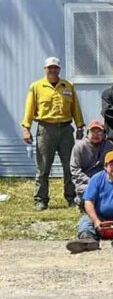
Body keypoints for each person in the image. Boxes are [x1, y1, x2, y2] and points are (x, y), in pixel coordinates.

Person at [22, 56, 85, 210]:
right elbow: (29, 108)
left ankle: (71, 198)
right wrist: (26, 128)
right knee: (43, 167)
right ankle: (40, 200)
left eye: (55, 67)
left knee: (70, 166)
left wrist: (80, 126)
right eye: (50, 67)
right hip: (46, 130)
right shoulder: (36, 87)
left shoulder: (68, 86)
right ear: (45, 69)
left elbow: (75, 108)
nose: (53, 70)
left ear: (59, 69)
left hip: (65, 129)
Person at [65, 151, 113, 253]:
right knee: (85, 219)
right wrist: (96, 220)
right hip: (100, 217)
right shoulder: (96, 179)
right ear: (105, 167)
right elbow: (88, 202)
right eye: (111, 164)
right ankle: (87, 238)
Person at [70, 120, 113, 208]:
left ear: (104, 134)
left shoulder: (109, 146)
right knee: (87, 191)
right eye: (93, 132)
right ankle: (81, 203)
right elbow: (75, 170)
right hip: (85, 181)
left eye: (99, 132)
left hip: (104, 180)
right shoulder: (79, 147)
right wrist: (90, 181)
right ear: (87, 133)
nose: (96, 135)